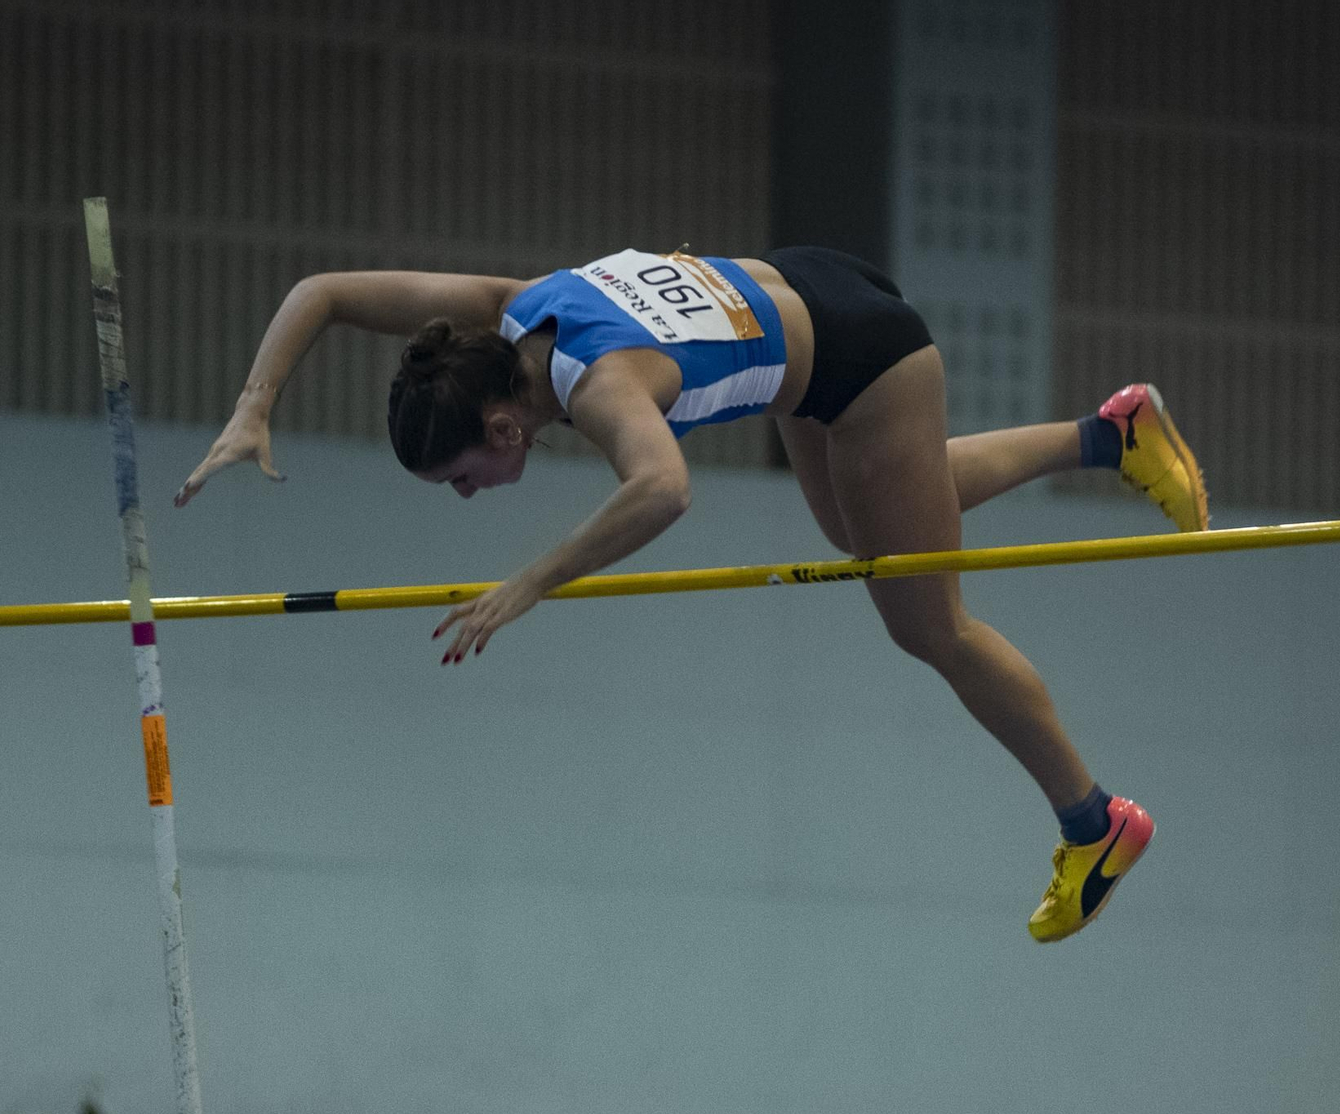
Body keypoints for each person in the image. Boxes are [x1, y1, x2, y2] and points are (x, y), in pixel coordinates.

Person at [176, 245, 1208, 942]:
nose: (466, 497)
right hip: (805, 297)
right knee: (864, 529)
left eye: (459, 479)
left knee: (925, 621)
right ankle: (1108, 433)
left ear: (500, 431)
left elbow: (664, 489)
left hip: (861, 357)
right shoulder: (512, 312)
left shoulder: (597, 384)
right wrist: (250, 411)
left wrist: (527, 583)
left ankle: (1096, 821)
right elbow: (320, 291)